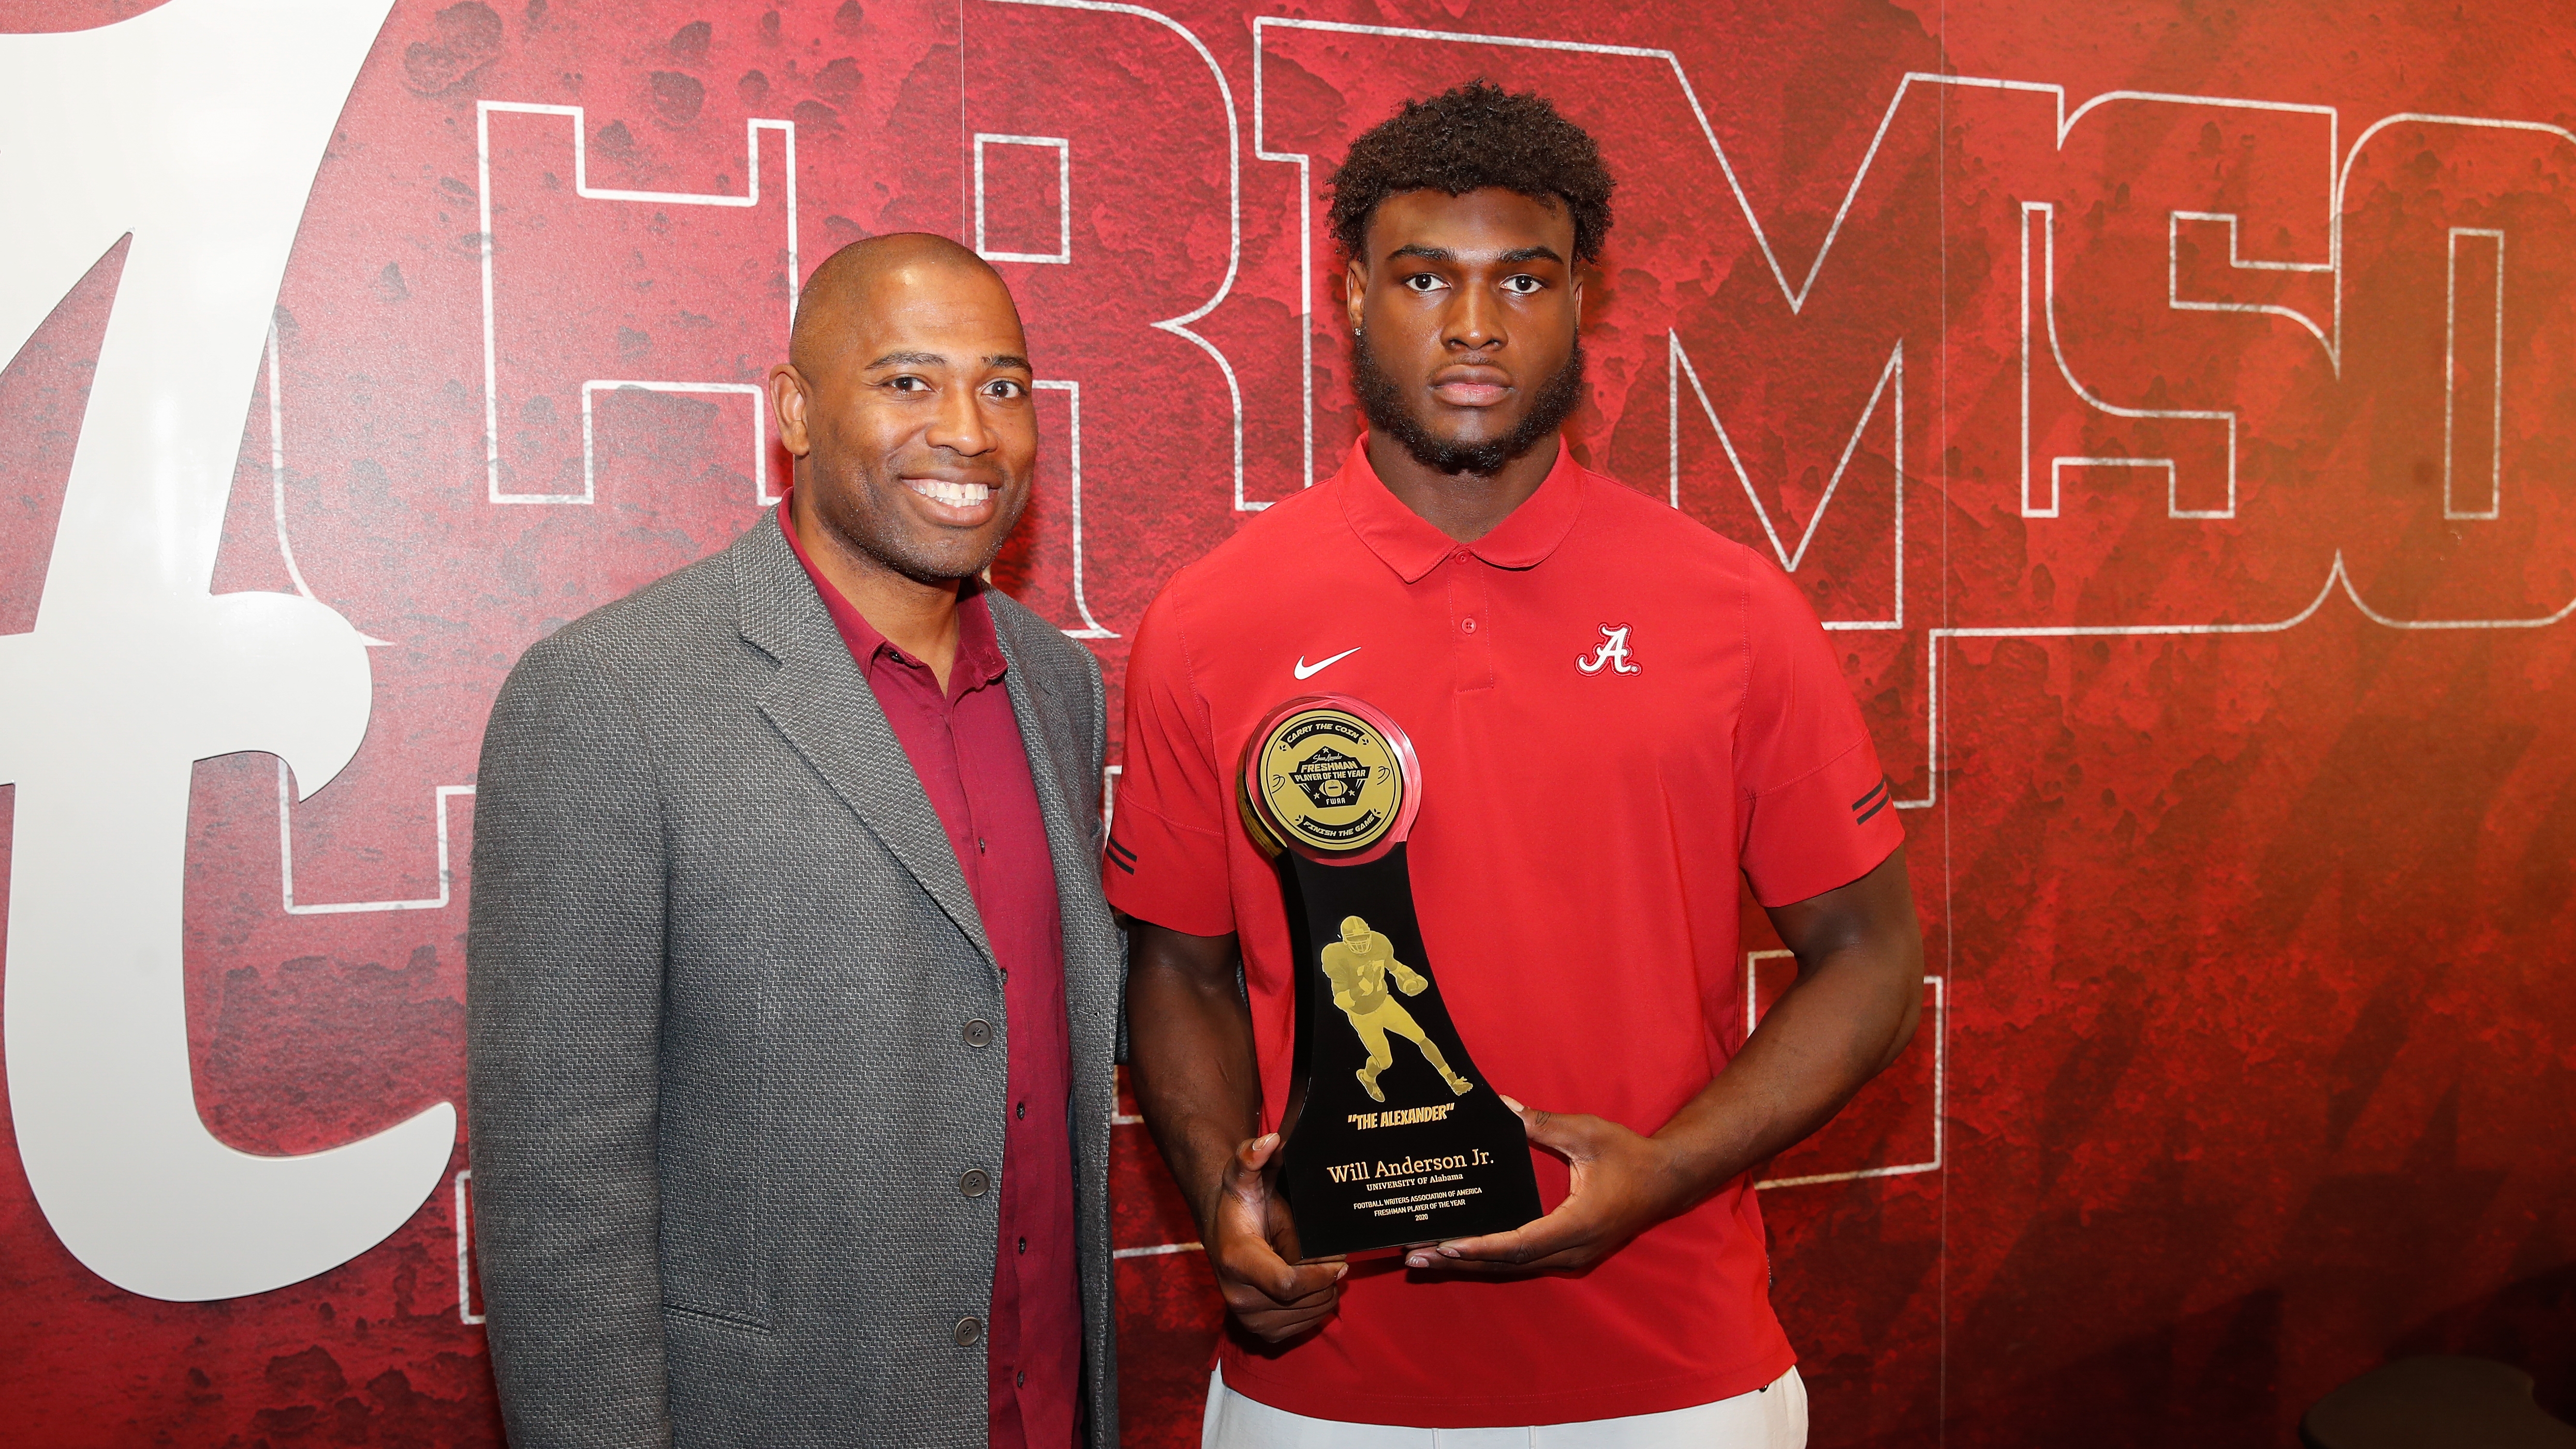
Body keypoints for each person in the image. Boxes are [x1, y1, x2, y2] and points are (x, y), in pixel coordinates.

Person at [1112, 83, 1926, 1447]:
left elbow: (1871, 955)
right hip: (1329, 1390)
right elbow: (1180, 966)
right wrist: (1221, 1199)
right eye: (1426, 276)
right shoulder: (1210, 618)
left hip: (1677, 1378)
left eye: (1523, 279)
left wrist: (1662, 1171)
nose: (1476, 325)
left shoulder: (1731, 609)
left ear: (1581, 302)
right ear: (1356, 296)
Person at [467, 233, 1120, 1449]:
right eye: (908, 380)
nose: (971, 429)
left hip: (1046, 1406)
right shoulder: (608, 693)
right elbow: (560, 1185)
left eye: (1005, 384)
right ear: (796, 410)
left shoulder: (1060, 687)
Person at [1319, 915, 1469, 1101]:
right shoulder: (1335, 955)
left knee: (1420, 1037)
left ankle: (1452, 1080)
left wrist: (1409, 976)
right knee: (1385, 1062)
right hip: (1363, 1016)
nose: (1361, 943)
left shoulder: (1380, 942)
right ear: (1344, 940)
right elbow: (1340, 1001)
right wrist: (1364, 986)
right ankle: (1367, 1077)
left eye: (1363, 937)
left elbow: (1395, 967)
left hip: (1385, 1003)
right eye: (1355, 939)